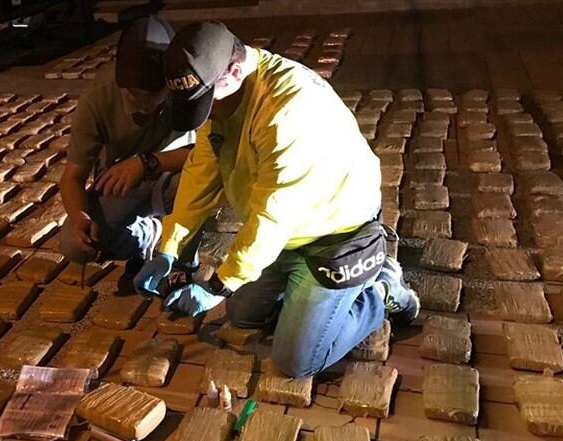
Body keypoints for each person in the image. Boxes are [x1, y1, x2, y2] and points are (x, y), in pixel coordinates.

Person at [134, 21, 420, 378]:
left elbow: (272, 218)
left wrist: (220, 285)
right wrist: (168, 246)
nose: (207, 112)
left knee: (295, 361)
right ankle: (305, 300)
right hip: (289, 235)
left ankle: (379, 290)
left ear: (235, 71)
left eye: (208, 100)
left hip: (336, 235)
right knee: (243, 314)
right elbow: (201, 171)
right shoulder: (221, 90)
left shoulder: (287, 112)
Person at [59, 15, 199, 294]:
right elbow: (72, 178)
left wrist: (146, 162)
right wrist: (80, 219)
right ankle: (147, 236)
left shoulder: (187, 85)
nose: (146, 103)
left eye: (154, 93)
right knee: (74, 245)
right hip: (122, 185)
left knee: (202, 186)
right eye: (136, 94)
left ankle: (184, 260)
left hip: (176, 174)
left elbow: (213, 155)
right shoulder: (99, 97)